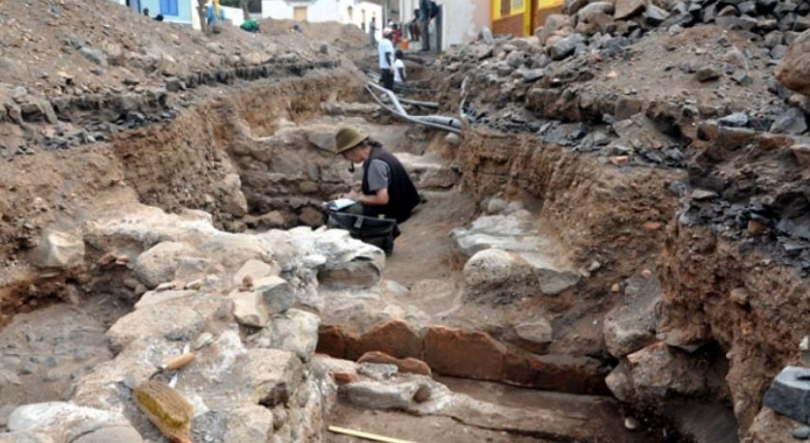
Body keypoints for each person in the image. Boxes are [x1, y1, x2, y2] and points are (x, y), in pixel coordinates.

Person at [334, 127, 420, 225]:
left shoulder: (375, 164)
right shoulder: (377, 152)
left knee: (343, 212)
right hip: (403, 207)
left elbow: (382, 199)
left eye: (345, 155)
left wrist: (356, 198)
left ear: (353, 149)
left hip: (391, 215)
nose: (346, 159)